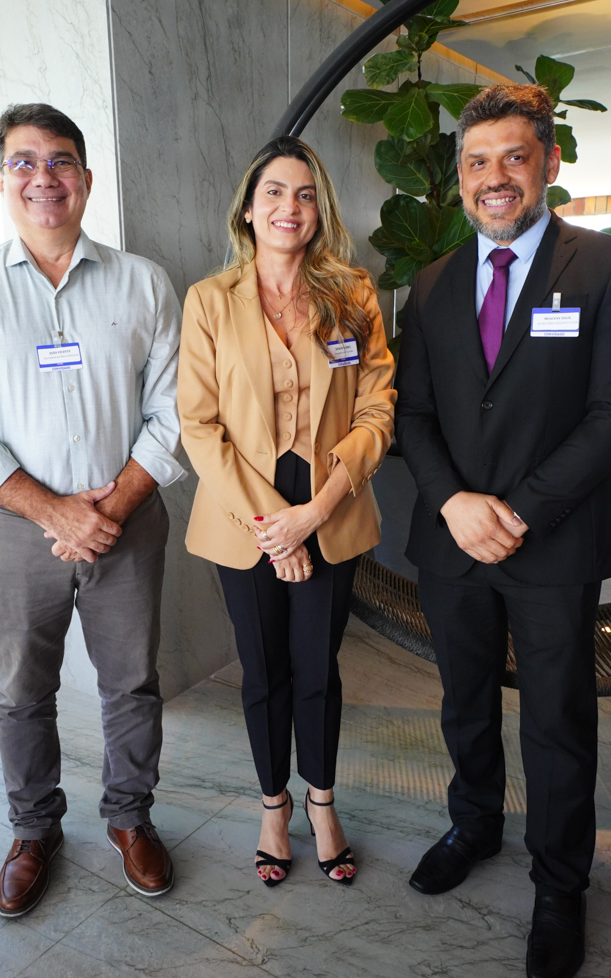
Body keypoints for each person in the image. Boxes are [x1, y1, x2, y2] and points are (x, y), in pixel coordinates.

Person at [0, 103, 186, 916]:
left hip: (127, 518)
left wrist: (107, 508)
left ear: (86, 177)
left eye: (60, 161)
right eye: (22, 161)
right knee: (20, 687)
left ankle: (130, 817)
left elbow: (176, 409)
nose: (43, 177)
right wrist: (53, 512)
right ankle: (32, 829)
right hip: (15, 528)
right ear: (1, 177)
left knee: (132, 681)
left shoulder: (143, 280)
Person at [395, 83, 611, 978]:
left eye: (513, 158)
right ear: (459, 175)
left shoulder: (598, 268)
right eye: (477, 162)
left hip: (552, 543)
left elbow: (607, 414)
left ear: (549, 164)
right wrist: (453, 503)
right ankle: (475, 824)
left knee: (558, 721)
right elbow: (415, 415)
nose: (495, 178)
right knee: (463, 698)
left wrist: (518, 510)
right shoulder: (435, 282)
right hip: (452, 543)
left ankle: (561, 882)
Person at [177, 136, 395, 886]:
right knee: (263, 670)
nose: (289, 207)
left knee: (318, 668)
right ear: (247, 207)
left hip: (331, 507)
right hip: (244, 515)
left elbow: (376, 406)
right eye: (273, 192)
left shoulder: (353, 294)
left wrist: (318, 510)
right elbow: (199, 426)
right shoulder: (209, 301)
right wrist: (277, 525)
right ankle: (275, 804)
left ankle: (322, 800)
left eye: (304, 194)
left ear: (319, 210)